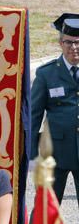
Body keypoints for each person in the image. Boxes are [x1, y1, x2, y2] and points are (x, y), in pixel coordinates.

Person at [30, 13, 79, 209]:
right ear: (60, 43)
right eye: (68, 42)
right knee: (45, 208)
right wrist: (33, 156)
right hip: (54, 154)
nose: (73, 48)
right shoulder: (46, 74)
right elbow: (33, 118)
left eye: (77, 42)